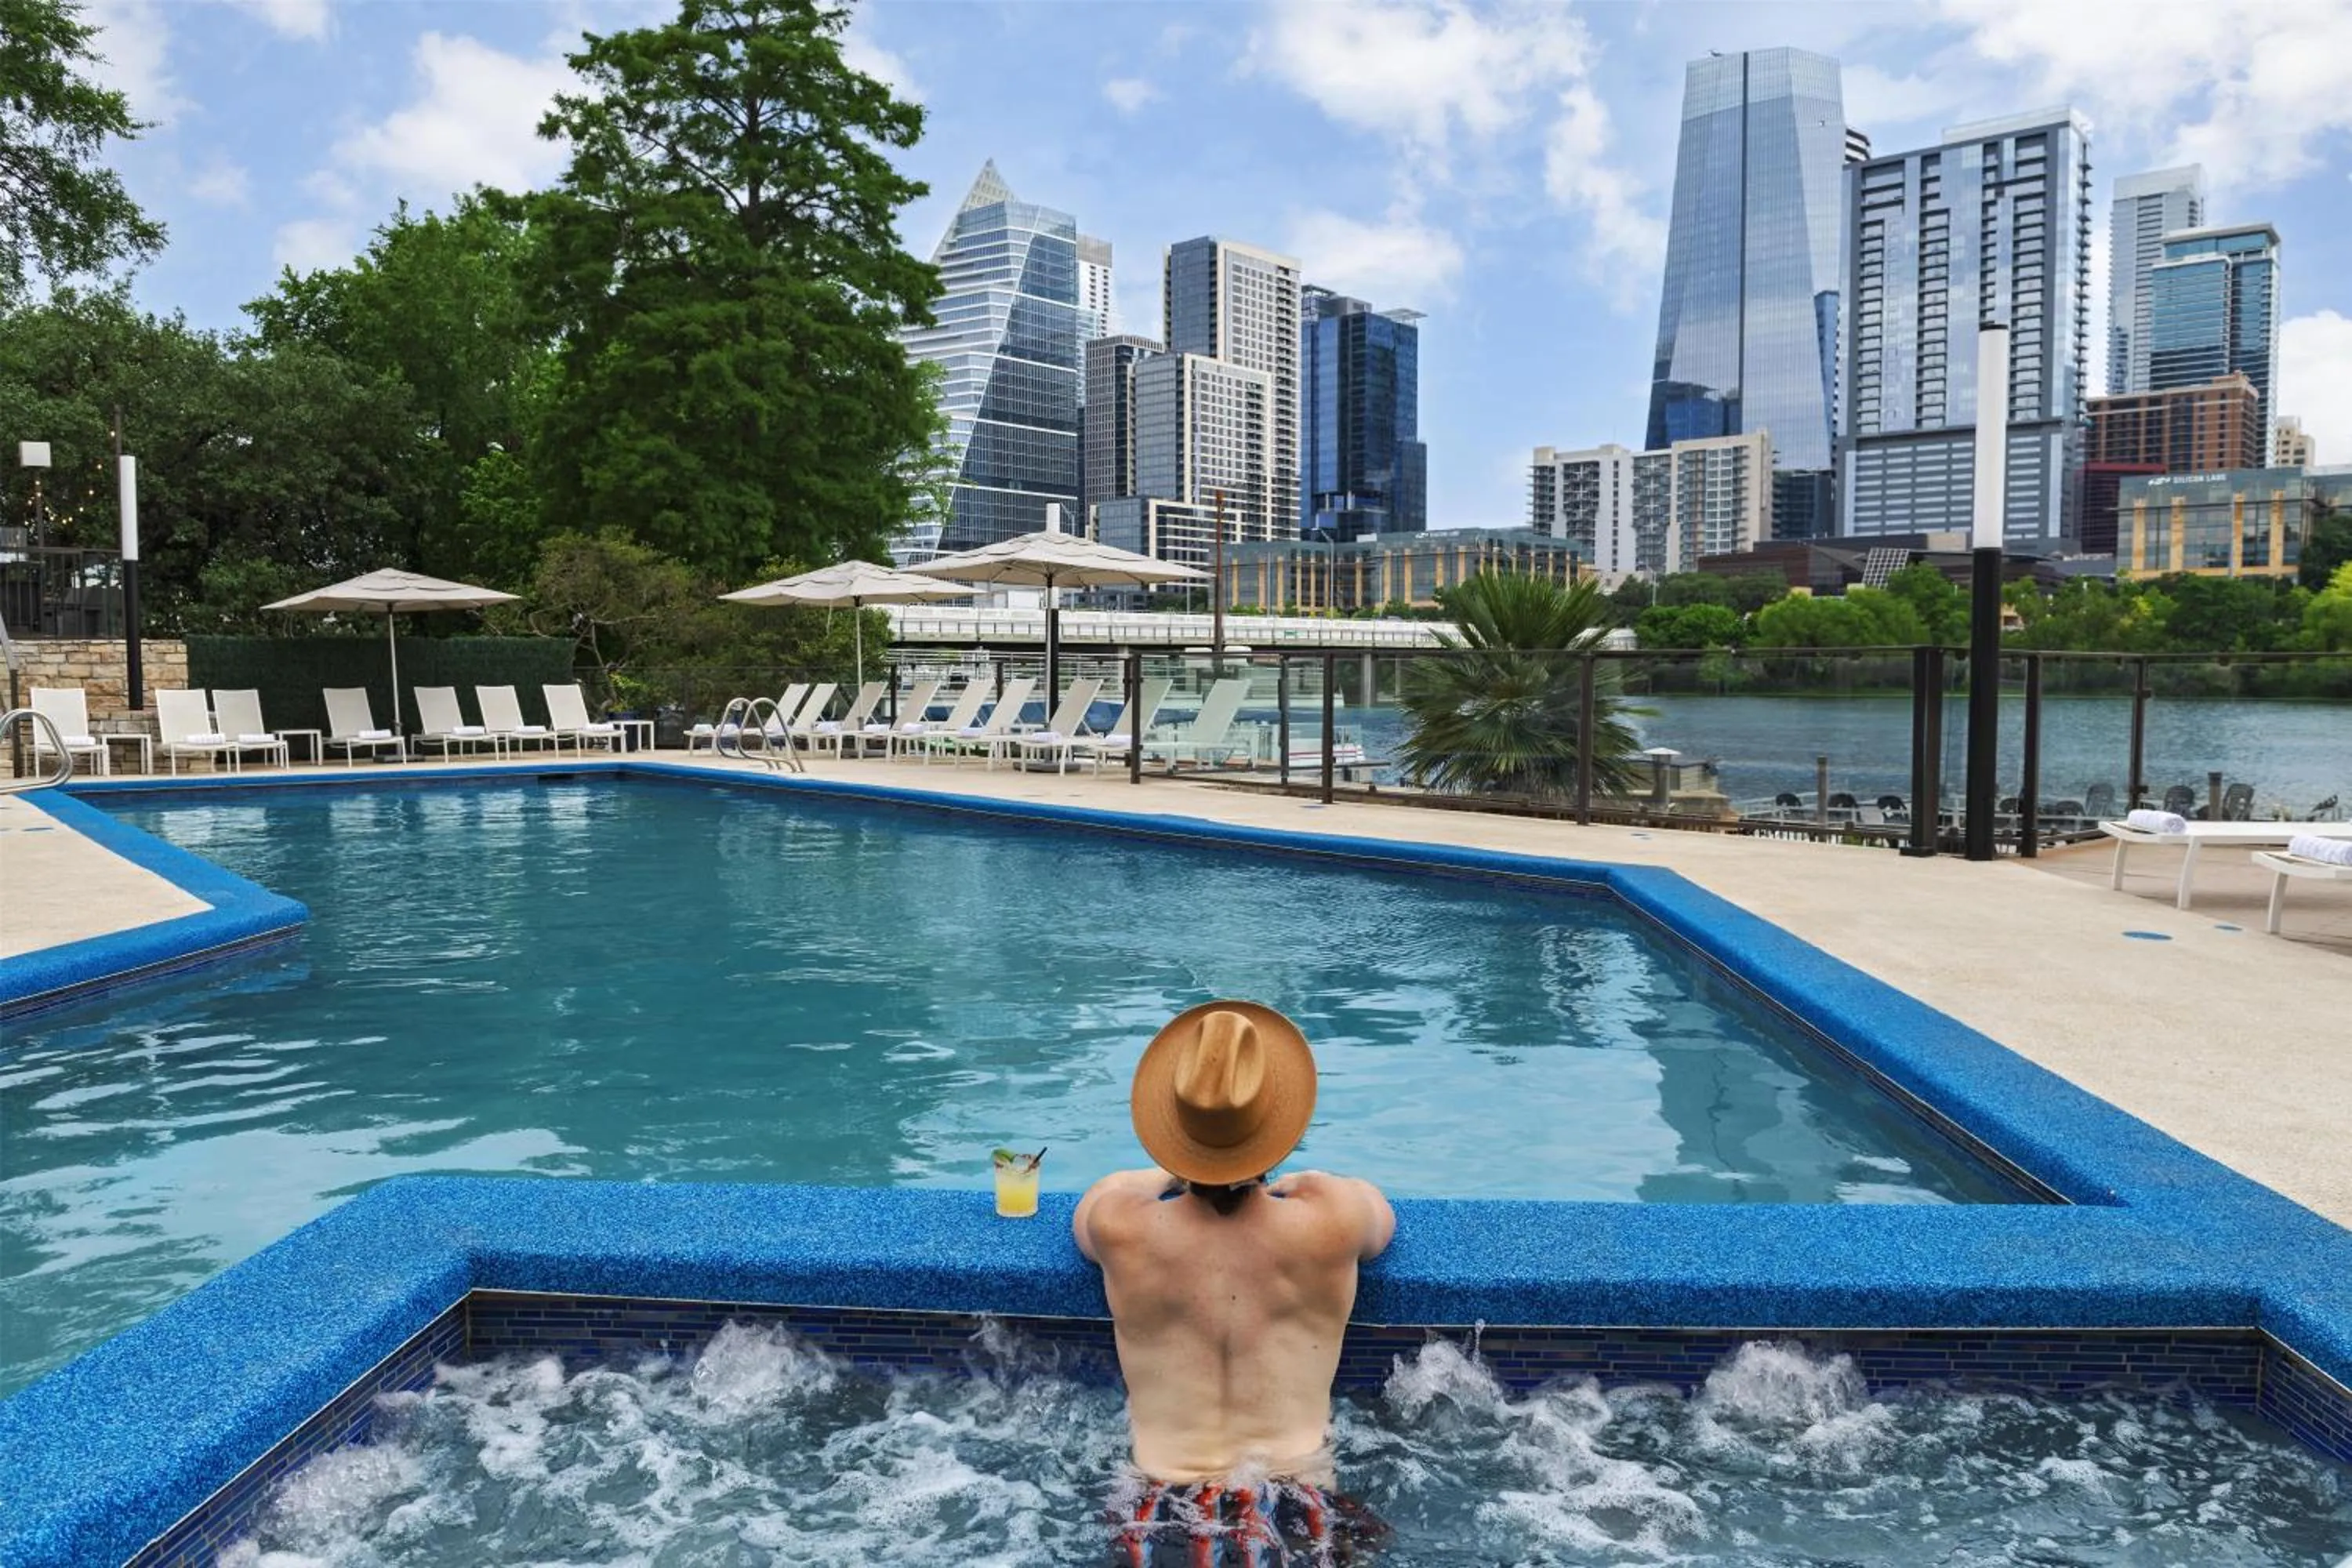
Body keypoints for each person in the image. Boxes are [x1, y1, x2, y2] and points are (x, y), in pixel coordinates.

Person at [1075, 1000, 1396, 1566]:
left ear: (1175, 1133)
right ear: (1276, 1129)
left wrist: (1174, 1168)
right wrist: (1306, 1180)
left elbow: (1101, 1196)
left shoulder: (1120, 1227)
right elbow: (1380, 1218)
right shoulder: (1334, 1219)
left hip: (1156, 1510)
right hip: (1296, 1502)